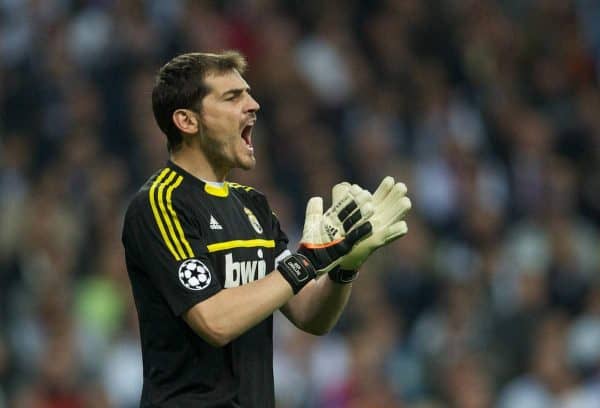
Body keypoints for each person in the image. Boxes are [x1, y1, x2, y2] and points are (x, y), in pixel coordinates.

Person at [121, 50, 411, 407]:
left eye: (248, 94)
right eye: (232, 97)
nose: (253, 105)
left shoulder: (252, 205)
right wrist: (308, 262)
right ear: (187, 121)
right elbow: (215, 321)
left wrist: (344, 265)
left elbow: (309, 315)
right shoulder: (160, 204)